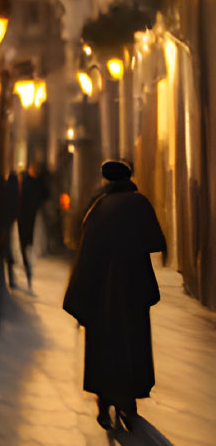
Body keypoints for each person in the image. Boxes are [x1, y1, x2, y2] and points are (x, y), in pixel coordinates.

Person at [63, 160, 167, 431]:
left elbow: (85, 254)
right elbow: (156, 241)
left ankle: (104, 404)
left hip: (101, 292)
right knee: (131, 343)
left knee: (103, 345)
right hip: (132, 289)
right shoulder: (139, 204)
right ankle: (128, 402)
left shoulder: (98, 208)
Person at [0, 167, 22, 289]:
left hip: (2, 223)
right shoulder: (12, 190)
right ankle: (10, 279)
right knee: (7, 250)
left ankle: (6, 278)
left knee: (5, 250)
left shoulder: (3, 188)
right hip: (7, 223)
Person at [17, 165, 49, 275]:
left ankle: (27, 259)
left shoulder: (34, 183)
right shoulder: (30, 182)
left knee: (28, 238)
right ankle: (26, 259)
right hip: (26, 215)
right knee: (26, 238)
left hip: (30, 215)